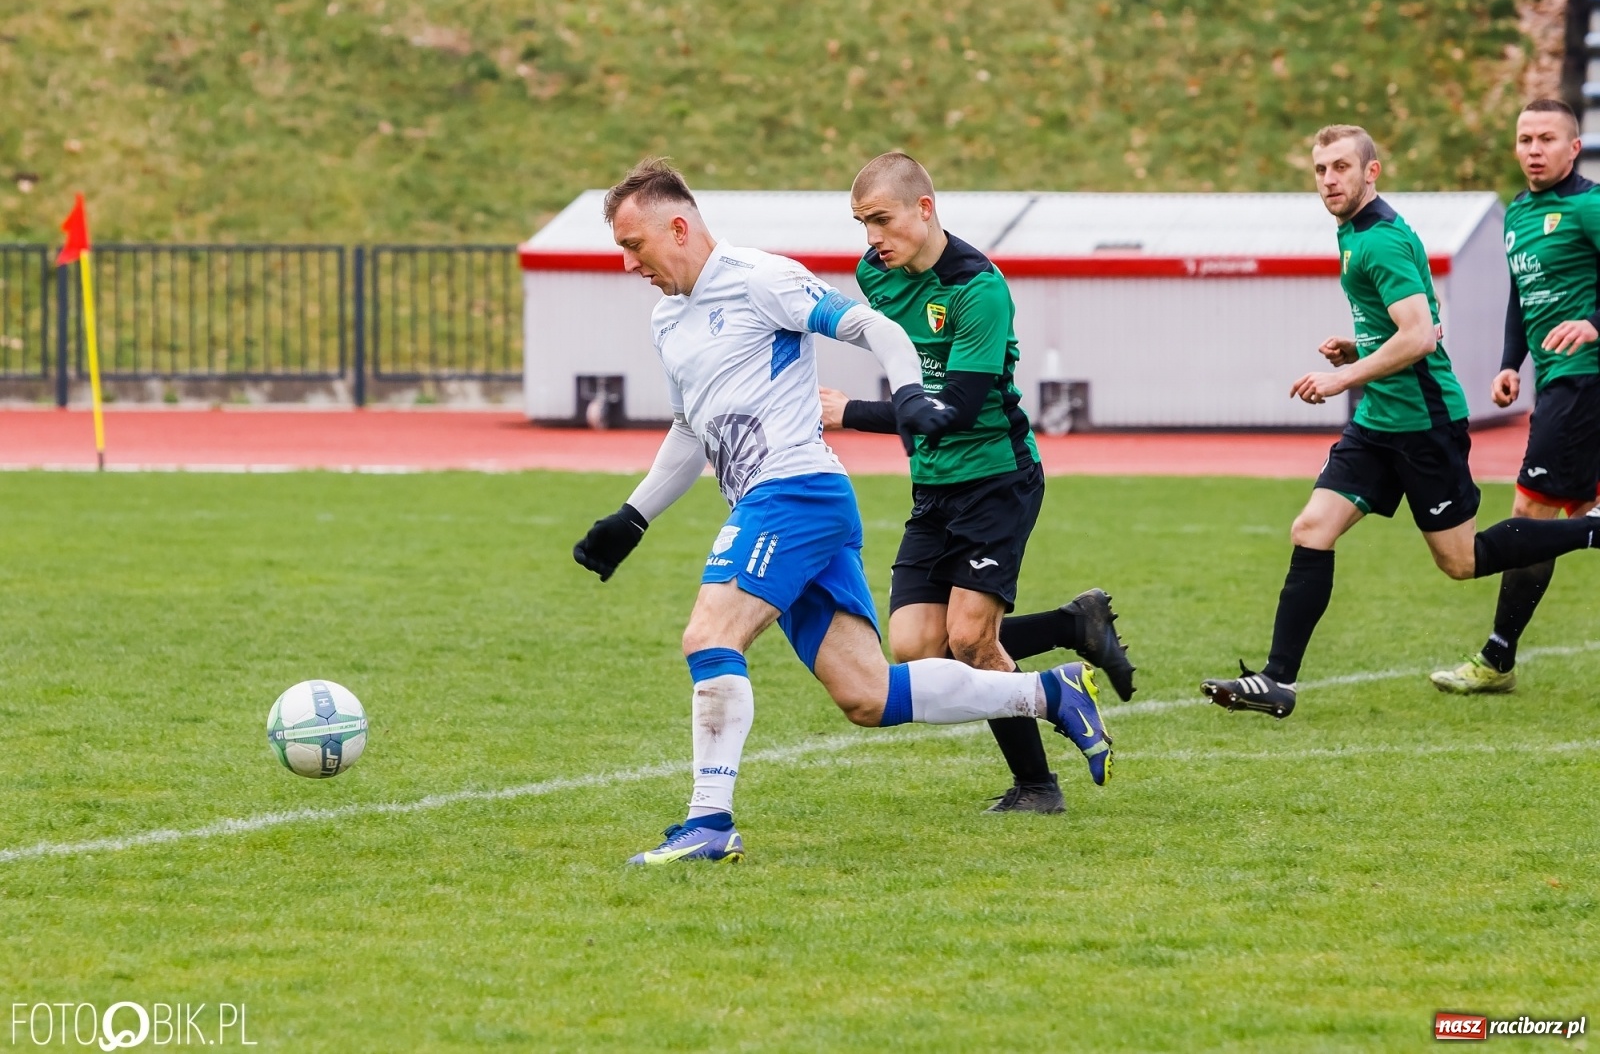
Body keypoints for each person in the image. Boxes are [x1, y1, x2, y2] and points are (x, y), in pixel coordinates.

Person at [572, 159, 1114, 865]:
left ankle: (709, 823)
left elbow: (875, 330)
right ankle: (1049, 692)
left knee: (710, 635)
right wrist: (634, 516)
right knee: (868, 694)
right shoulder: (668, 318)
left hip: (794, 491)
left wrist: (907, 395)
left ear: (677, 227)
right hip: (783, 502)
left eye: (633, 244)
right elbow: (689, 427)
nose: (628, 263)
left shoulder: (761, 278)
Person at [1200, 125, 1600, 719]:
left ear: (1372, 171)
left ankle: (1592, 529)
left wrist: (1343, 378)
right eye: (1320, 170)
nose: (1329, 180)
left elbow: (1418, 337)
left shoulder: (1380, 239)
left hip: (1422, 424)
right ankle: (1277, 680)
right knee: (1311, 528)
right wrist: (1356, 347)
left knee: (1461, 561)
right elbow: (1412, 323)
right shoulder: (1354, 231)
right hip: (1378, 423)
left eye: (1341, 167)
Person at [819, 152, 1135, 815]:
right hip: (932, 486)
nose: (871, 237)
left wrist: (852, 413)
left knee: (969, 641)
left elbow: (956, 408)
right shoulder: (876, 275)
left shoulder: (978, 289)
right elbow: (909, 377)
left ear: (924, 208)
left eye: (881, 219)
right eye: (861, 223)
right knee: (917, 648)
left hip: (996, 478)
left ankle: (1038, 787)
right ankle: (1074, 624)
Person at [1431, 99, 1600, 694]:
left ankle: (1497, 658)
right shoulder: (1519, 214)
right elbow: (1520, 296)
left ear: (1574, 148)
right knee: (1576, 509)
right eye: (1525, 139)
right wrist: (1511, 362)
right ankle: (1498, 658)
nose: (1533, 149)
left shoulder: (1590, 206)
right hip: (1557, 379)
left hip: (1584, 379)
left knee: (1531, 512)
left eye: (1546, 138)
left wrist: (1594, 323)